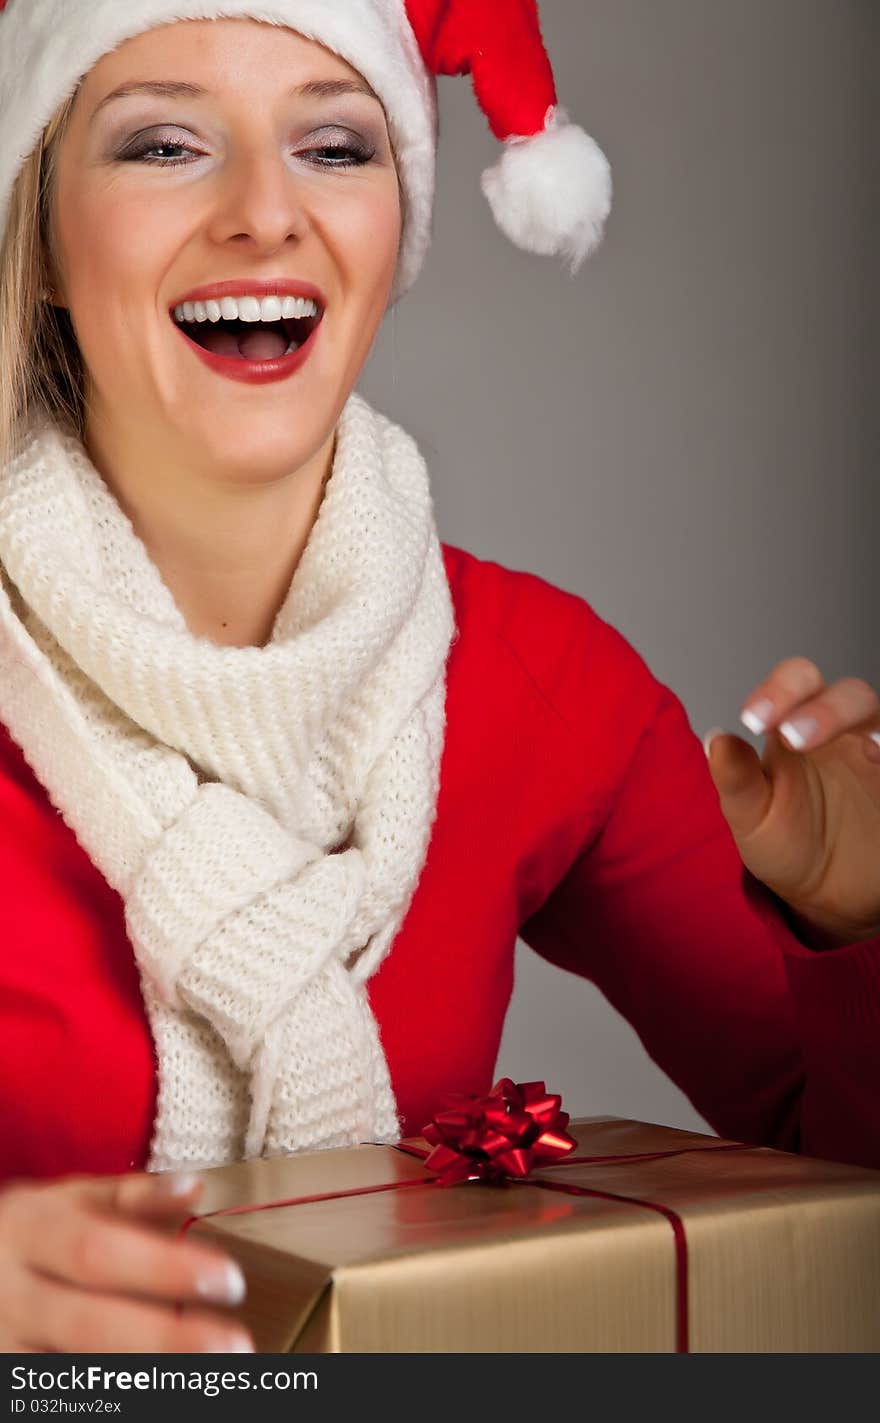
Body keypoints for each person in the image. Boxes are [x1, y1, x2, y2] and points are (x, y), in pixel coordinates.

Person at [0, 0, 877, 1357]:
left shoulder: (539, 682)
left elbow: (835, 1183)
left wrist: (862, 917)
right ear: (45, 231)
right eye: (166, 144)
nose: (262, 213)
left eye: (335, 148)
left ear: (393, 229)